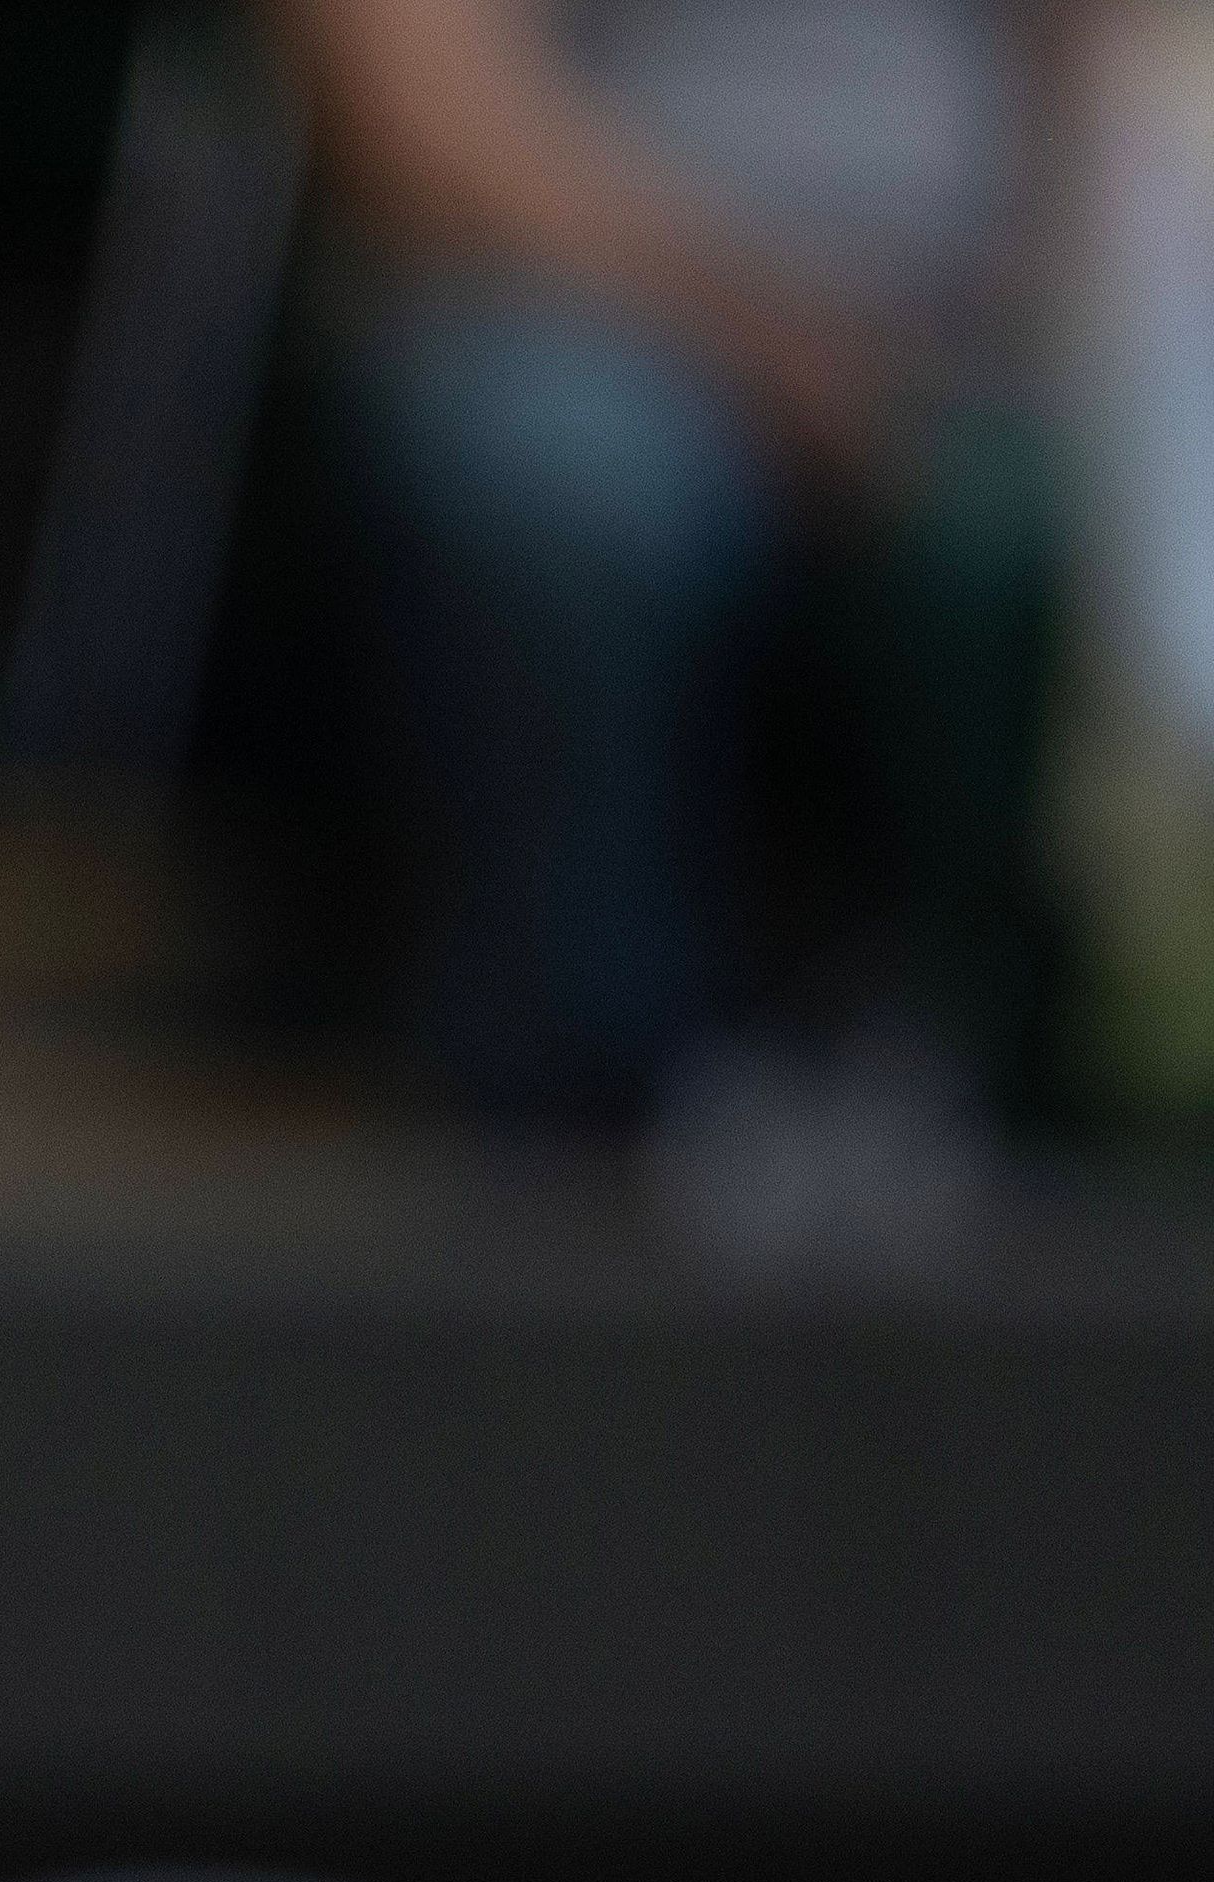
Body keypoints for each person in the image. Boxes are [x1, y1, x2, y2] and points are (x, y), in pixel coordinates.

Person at [275, 0, 1071, 1128]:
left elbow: (1101, 77)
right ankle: (588, 1093)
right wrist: (773, 341)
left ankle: (994, 1072)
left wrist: (1053, 314)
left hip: (964, 344)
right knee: (562, 486)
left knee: (1040, 523)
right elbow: (415, 108)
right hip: (585, 306)